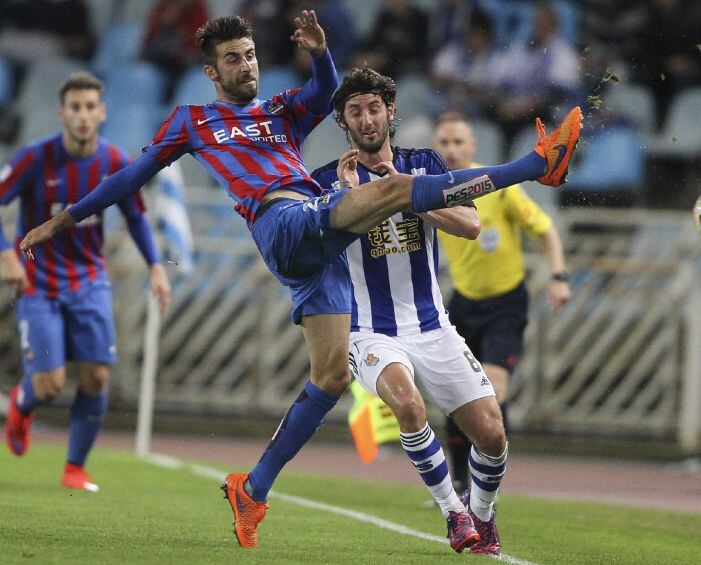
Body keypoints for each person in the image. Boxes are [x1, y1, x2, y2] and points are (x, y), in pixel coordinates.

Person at [18, 13, 582, 549]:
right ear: (212, 72)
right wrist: (67, 218)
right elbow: (128, 177)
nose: (247, 66)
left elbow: (326, 95)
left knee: (330, 376)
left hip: (320, 252)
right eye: (233, 60)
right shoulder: (193, 121)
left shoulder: (283, 112)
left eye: (252, 55)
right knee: (396, 188)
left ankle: (252, 489)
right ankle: (536, 167)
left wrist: (320, 53)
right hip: (282, 222)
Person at [312, 67, 508, 555]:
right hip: (368, 331)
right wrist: (346, 198)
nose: (366, 118)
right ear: (343, 122)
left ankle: (482, 517)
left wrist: (405, 190)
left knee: (492, 435)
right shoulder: (324, 182)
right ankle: (452, 513)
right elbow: (311, 252)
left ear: (390, 111)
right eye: (354, 111)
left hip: (432, 325)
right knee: (408, 403)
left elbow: (469, 224)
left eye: (374, 107)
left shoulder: (424, 164)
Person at [1, 71, 171, 491]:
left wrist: (155, 265)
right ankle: (23, 404)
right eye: (75, 107)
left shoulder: (114, 162)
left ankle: (75, 468)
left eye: (90, 107)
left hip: (90, 281)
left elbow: (135, 217)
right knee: (50, 384)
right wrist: (8, 255)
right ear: (62, 112)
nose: (82, 115)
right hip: (37, 284)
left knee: (96, 377)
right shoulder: (33, 158)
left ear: (102, 113)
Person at [432, 112, 572, 494]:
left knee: (492, 389)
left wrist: (558, 278)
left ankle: (489, 481)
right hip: (463, 303)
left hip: (507, 302)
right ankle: (460, 482)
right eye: (444, 142)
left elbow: (545, 229)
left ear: (473, 146)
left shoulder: (496, 186)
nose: (452, 149)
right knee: (457, 396)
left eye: (459, 142)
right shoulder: (432, 189)